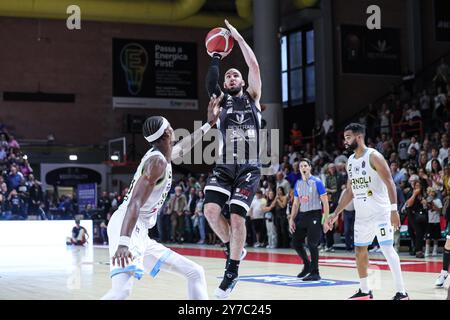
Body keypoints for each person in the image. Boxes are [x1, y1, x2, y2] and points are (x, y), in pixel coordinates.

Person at [101, 97, 221, 300]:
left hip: (140, 231)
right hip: (129, 226)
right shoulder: (156, 163)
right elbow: (135, 203)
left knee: (195, 272)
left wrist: (209, 124)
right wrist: (123, 243)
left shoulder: (162, 155)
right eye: (171, 126)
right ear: (167, 132)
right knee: (121, 291)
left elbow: (184, 146)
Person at [203, 19, 262, 299]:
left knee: (238, 218)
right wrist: (216, 56)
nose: (232, 78)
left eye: (235, 76)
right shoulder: (220, 101)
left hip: (249, 167)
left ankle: (232, 271)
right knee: (210, 212)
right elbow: (209, 82)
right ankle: (232, 247)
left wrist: (237, 39)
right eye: (229, 77)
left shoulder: (253, 97)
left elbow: (254, 66)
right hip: (225, 164)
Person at [324, 123, 409, 300]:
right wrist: (336, 212)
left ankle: (402, 293)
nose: (345, 141)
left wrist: (394, 211)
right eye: (345, 138)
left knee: (386, 248)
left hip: (381, 212)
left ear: (359, 137)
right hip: (362, 216)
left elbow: (390, 183)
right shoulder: (350, 161)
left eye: (348, 137)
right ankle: (365, 290)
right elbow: (350, 191)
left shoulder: (374, 156)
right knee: (359, 250)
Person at [288, 159, 329, 281]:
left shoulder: (317, 182)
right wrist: (291, 219)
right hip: (303, 215)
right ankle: (307, 264)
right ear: (299, 169)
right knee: (295, 242)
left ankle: (315, 272)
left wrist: (325, 220)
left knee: (312, 243)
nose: (303, 167)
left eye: (305, 165)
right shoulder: (298, 184)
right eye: (301, 166)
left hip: (315, 215)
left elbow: (325, 202)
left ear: (310, 167)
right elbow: (295, 204)